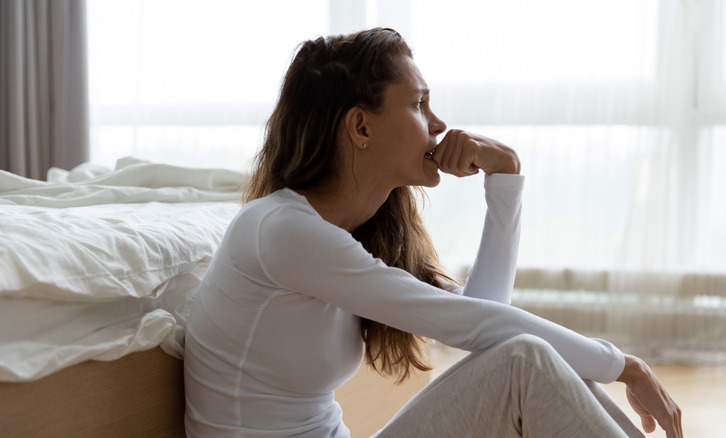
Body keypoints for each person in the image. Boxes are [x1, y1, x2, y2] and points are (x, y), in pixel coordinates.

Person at [183, 27, 683, 437]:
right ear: (361, 128)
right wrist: (626, 366)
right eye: (419, 104)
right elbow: (480, 327)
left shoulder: (351, 232)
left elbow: (485, 317)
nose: (439, 124)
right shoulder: (282, 232)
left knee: (530, 360)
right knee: (526, 361)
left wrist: (505, 177)